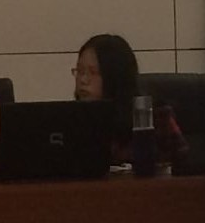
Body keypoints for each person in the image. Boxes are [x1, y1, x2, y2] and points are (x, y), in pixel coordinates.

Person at [72, 34, 188, 171]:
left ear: (115, 76)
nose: (83, 80)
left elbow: (181, 166)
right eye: (80, 71)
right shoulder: (74, 120)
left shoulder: (154, 116)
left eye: (93, 72)